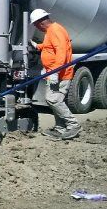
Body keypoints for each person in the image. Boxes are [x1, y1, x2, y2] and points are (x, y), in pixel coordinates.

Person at [30, 9, 80, 140]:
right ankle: (60, 128)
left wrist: (55, 72)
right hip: (54, 73)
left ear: (40, 22)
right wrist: (38, 46)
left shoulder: (55, 30)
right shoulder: (50, 31)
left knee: (53, 99)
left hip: (61, 74)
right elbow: (49, 47)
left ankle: (73, 125)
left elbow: (61, 52)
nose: (36, 27)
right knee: (55, 100)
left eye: (35, 25)